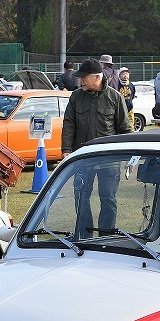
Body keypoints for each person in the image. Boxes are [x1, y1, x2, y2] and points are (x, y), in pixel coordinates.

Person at [62, 59, 131, 237]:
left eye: (84, 77)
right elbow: (69, 124)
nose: (80, 80)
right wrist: (66, 150)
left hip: (109, 161)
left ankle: (105, 237)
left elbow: (125, 130)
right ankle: (84, 236)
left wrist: (129, 156)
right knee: (81, 197)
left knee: (108, 199)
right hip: (82, 159)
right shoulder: (76, 96)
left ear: (97, 77)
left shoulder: (115, 97)